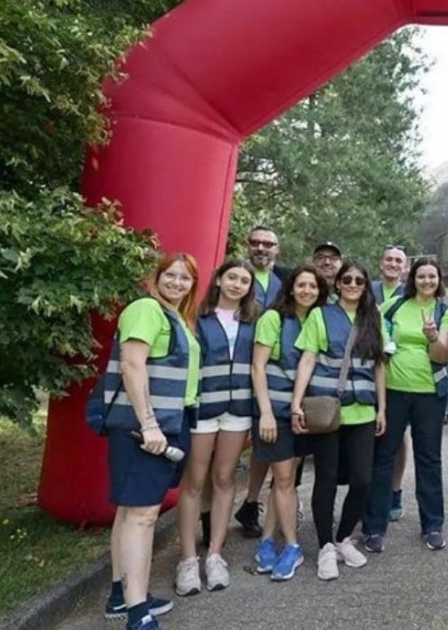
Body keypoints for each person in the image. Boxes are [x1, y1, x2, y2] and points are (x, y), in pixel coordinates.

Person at [101, 253, 201, 630]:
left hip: (167, 422)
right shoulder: (146, 309)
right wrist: (149, 425)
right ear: (155, 277)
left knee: (130, 513)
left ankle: (120, 595)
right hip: (146, 428)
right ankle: (137, 612)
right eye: (170, 275)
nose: (177, 283)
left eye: (185, 278)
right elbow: (132, 364)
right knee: (142, 517)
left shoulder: (174, 317)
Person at [291, 262, 390, 581]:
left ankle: (343, 536)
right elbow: (307, 359)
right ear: (337, 284)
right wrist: (296, 403)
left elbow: (379, 367)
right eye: (346, 279)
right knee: (326, 478)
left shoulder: (373, 319)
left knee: (362, 479)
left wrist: (382, 409)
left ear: (365, 286)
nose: (352, 284)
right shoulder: (321, 315)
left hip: (362, 411)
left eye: (359, 280)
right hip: (328, 409)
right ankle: (324, 547)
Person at [176, 259, 260, 595]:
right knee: (194, 481)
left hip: (238, 410)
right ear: (220, 280)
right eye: (232, 277)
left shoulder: (254, 321)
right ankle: (187, 559)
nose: (237, 284)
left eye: (244, 280)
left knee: (225, 478)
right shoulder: (196, 316)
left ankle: (214, 554)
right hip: (202, 408)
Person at [362, 257, 448, 553]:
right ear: (412, 279)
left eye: (432, 277)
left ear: (439, 281)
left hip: (430, 393)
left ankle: (432, 526)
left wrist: (432, 337)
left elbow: (441, 355)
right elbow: (371, 326)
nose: (427, 281)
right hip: (393, 390)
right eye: (421, 276)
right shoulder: (395, 305)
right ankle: (374, 527)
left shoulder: (445, 311)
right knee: (383, 458)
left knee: (429, 459)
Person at [249, 265, 327, 583]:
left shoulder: (320, 319)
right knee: (283, 478)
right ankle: (292, 545)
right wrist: (265, 412)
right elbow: (257, 367)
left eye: (313, 286)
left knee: (285, 480)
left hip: (306, 412)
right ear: (291, 288)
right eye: (301, 285)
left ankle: (268, 540)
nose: (307, 290)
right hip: (276, 412)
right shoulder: (273, 319)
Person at [234, 227, 286, 538]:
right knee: (228, 447)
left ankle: (251, 504)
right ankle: (209, 513)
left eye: (268, 244)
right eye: (255, 242)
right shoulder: (235, 276)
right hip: (237, 370)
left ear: (277, 249)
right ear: (247, 245)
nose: (261, 248)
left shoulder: (283, 282)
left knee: (264, 443)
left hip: (271, 374)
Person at [370, 245, 411, 524]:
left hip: (397, 370)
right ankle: (370, 492)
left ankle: (394, 490)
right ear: (380, 262)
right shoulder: (366, 288)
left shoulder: (410, 294)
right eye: (389, 259)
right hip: (368, 368)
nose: (393, 264)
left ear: (405, 267)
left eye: (398, 261)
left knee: (398, 436)